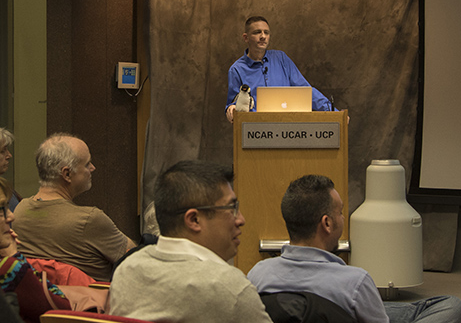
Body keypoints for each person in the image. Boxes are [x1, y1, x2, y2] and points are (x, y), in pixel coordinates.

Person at [247, 175, 461, 323]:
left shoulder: (258, 274)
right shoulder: (355, 282)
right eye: (340, 212)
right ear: (327, 223)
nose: (344, 219)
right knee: (451, 306)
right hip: (349, 300)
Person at [109, 160, 272, 323]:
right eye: (231, 209)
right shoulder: (229, 286)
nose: (241, 220)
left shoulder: (127, 270)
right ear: (194, 219)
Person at [12, 133, 136, 282]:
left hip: (40, 302)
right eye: (87, 164)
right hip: (91, 302)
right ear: (67, 174)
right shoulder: (89, 220)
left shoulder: (19, 211)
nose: (93, 168)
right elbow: (135, 258)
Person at [225, 16, 334, 123]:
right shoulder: (236, 69)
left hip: (286, 128)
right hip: (255, 131)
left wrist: (333, 112)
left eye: (266, 32)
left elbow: (305, 90)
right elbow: (233, 103)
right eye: (257, 32)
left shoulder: (281, 59)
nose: (263, 36)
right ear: (246, 37)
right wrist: (232, 109)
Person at [1, 177, 72, 323]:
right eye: (2, 209)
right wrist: (15, 256)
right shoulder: (9, 268)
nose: (11, 216)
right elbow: (63, 309)